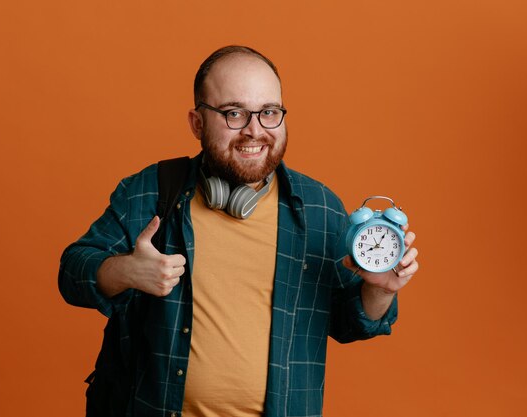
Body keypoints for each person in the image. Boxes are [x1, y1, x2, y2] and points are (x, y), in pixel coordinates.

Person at [59, 45, 419, 417]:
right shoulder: (152, 191)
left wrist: (378, 291)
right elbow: (72, 271)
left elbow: (349, 322)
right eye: (234, 113)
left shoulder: (318, 207)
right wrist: (124, 270)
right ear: (197, 123)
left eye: (269, 113)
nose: (254, 131)